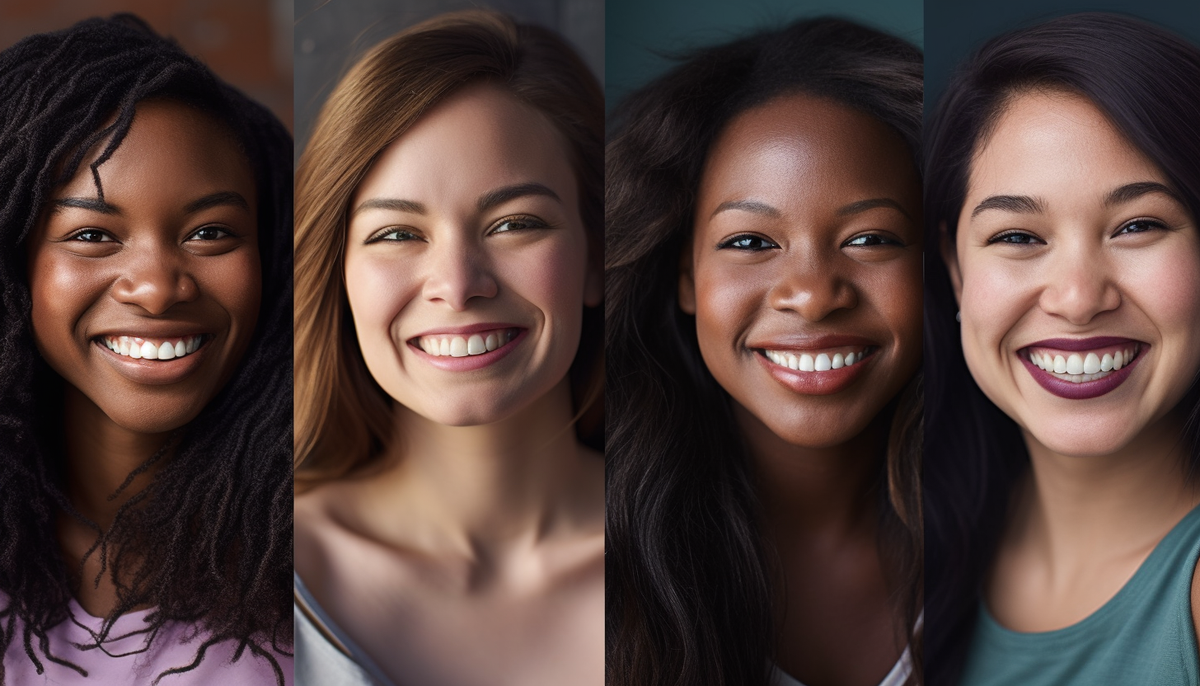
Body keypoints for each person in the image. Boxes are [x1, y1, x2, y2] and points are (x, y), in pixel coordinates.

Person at [605, 17, 923, 686]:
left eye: (871, 239)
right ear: (686, 277)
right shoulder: (589, 558)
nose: (811, 295)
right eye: (750, 242)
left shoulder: (1038, 541)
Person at [291, 10, 604, 686]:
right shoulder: (247, 568)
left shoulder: (720, 559)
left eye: (515, 223)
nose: (458, 285)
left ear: (599, 258)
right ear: (336, 272)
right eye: (396, 234)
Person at [0, 15, 294, 686]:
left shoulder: (326, 570)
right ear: (14, 264)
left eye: (211, 232)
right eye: (93, 236)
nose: (159, 288)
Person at [923, 13, 1200, 686]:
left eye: (1138, 226)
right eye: (1018, 237)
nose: (1078, 298)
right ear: (956, 271)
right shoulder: (923, 536)